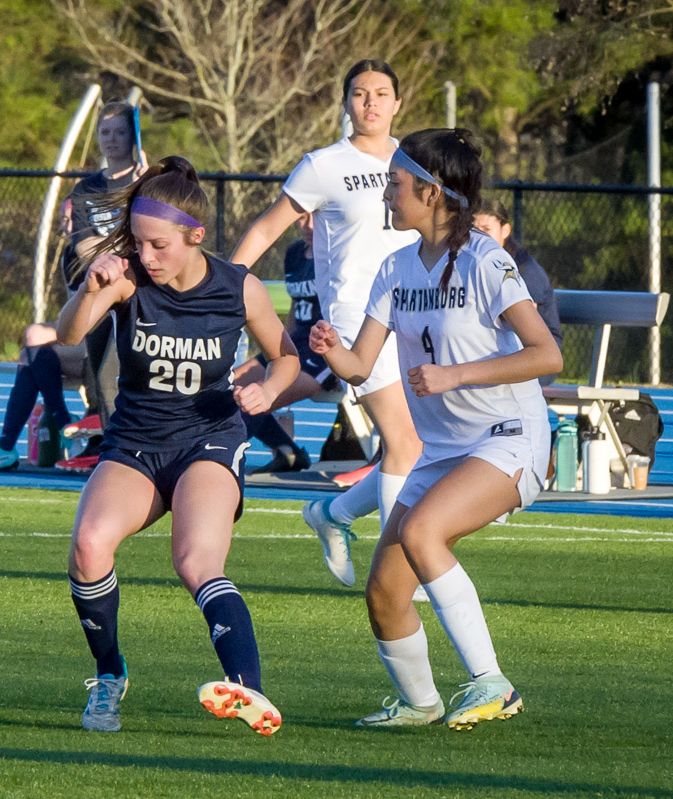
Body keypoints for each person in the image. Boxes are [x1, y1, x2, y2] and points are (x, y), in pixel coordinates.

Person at [309, 128, 562, 730]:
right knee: (385, 594)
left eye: (395, 186)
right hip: (443, 452)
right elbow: (360, 366)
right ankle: (420, 704)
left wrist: (455, 376)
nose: (387, 198)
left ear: (430, 191)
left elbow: (546, 354)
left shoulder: (484, 258)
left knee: (423, 533)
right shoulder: (395, 266)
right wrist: (333, 349)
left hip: (509, 436)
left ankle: (490, 683)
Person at [56, 156, 300, 735]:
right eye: (138, 242)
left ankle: (249, 693)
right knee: (89, 546)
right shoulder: (126, 279)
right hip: (136, 443)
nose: (145, 256)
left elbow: (286, 356)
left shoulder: (237, 287)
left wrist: (268, 388)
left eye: (158, 244)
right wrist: (93, 286)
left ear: (196, 236)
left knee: (195, 561)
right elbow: (67, 336)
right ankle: (109, 675)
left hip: (208, 440)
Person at [231, 59, 423, 588]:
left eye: (382, 93)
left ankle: (331, 515)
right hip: (358, 324)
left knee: (418, 449)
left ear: (397, 103)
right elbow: (268, 226)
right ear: (346, 103)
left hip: (419, 317)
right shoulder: (324, 165)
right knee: (405, 445)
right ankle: (401, 575)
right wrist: (222, 285)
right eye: (360, 93)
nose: (371, 103)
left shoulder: (417, 161)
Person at [0, 102, 145, 472]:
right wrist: (118, 252)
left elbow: (149, 243)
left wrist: (122, 251)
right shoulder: (88, 189)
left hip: (136, 306)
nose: (112, 139)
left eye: (120, 131)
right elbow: (87, 248)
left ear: (133, 136)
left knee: (105, 367)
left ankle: (105, 442)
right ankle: (82, 434)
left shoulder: (145, 184)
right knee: (62, 358)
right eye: (105, 132)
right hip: (98, 310)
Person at [232, 212, 337, 472]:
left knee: (257, 395)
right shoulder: (294, 253)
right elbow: (295, 309)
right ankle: (287, 451)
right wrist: (280, 352)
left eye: (316, 218)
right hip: (296, 344)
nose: (309, 226)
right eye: (302, 218)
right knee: (227, 388)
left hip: (323, 350)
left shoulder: (337, 258)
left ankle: (216, 459)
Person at [473, 200, 563, 385]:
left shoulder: (522, 268)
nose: (479, 236)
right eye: (474, 230)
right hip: (498, 352)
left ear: (505, 231)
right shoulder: (477, 263)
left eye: (486, 229)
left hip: (535, 357)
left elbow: (521, 325)